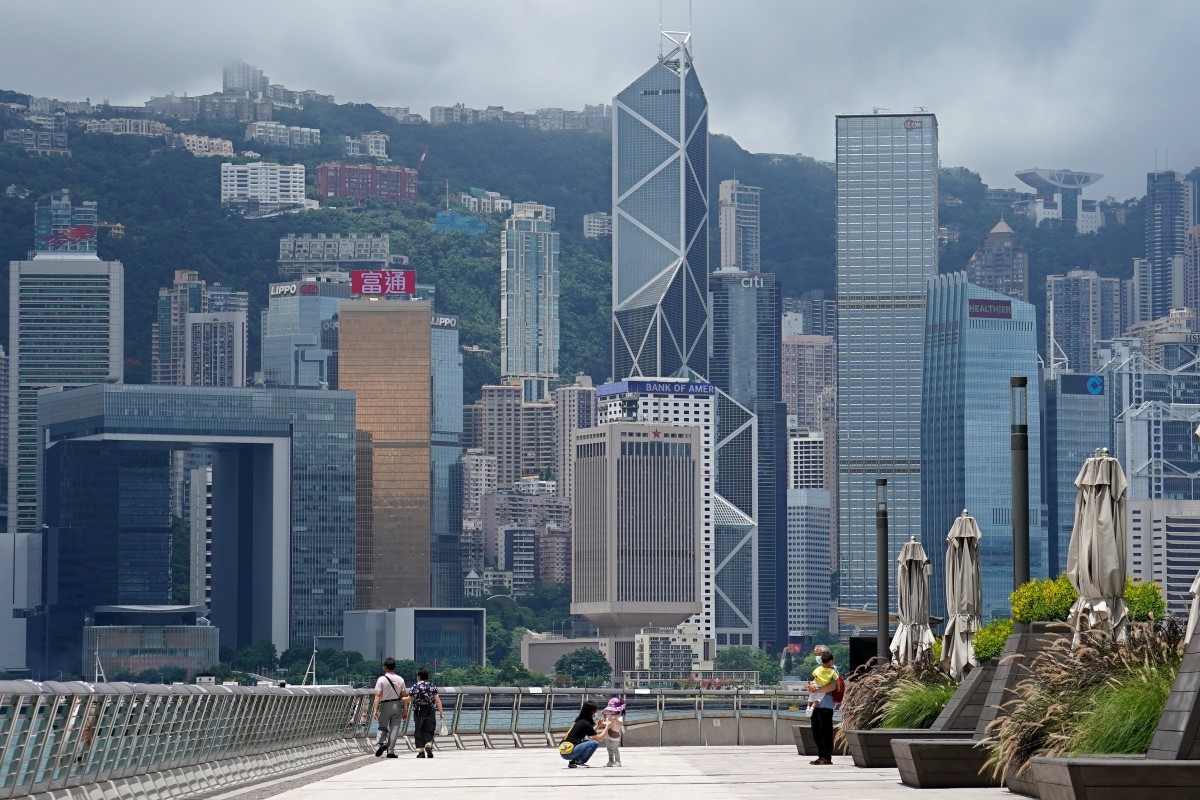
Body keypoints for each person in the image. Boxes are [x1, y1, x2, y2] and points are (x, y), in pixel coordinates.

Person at [806, 649, 839, 765]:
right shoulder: (818, 670)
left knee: (825, 731)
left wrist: (818, 690)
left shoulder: (833, 670)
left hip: (826, 704)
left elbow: (833, 686)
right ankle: (820, 756)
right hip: (816, 706)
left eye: (819, 654)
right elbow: (812, 684)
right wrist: (811, 688)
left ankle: (826, 757)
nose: (817, 657)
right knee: (816, 731)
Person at [373, 658, 408, 758]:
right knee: (395, 729)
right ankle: (391, 751)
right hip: (396, 705)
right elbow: (404, 696)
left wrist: (375, 709)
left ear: (385, 667)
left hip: (384, 705)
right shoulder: (400, 679)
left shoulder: (381, 679)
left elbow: (378, 695)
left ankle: (382, 743)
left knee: (382, 725)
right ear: (394, 667)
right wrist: (405, 710)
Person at [408, 667, 445, 759]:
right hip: (430, 711)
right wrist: (441, 713)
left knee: (419, 730)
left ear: (419, 677)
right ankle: (428, 744)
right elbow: (437, 700)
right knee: (430, 729)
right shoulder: (432, 686)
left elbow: (410, 698)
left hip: (418, 711)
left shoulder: (414, 686)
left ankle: (421, 751)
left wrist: (401, 700)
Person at [559, 701, 609, 768]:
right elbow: (599, 738)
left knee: (589, 741)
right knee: (594, 743)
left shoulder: (580, 720)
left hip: (565, 751)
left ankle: (573, 762)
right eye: (595, 711)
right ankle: (579, 761)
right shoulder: (585, 724)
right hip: (568, 753)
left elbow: (591, 733)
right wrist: (607, 727)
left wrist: (598, 725)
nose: (596, 713)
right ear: (591, 711)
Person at [601, 697, 625, 766]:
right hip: (608, 736)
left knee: (615, 749)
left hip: (615, 737)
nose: (611, 711)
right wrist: (604, 715)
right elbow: (605, 722)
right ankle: (610, 761)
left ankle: (618, 761)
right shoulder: (609, 716)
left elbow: (620, 724)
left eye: (612, 709)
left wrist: (615, 719)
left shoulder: (620, 717)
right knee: (609, 749)